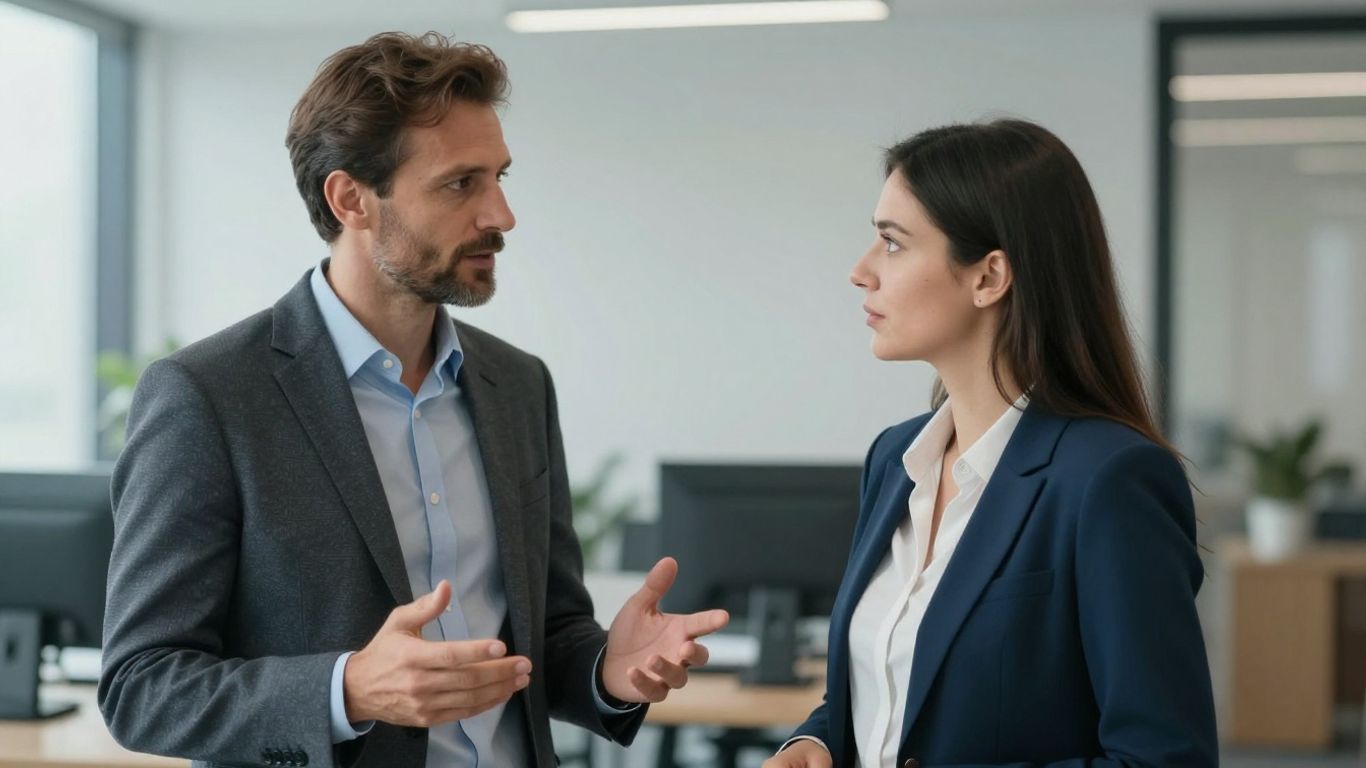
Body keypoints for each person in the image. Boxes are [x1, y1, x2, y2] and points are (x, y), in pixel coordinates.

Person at [99, 31, 727, 768]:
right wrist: (349, 689)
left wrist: (606, 671)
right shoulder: (209, 397)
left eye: (500, 177)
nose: (502, 214)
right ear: (350, 198)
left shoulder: (519, 386)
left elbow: (544, 636)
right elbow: (141, 687)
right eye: (462, 184)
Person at [765, 119, 1217, 768]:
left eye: (892, 244)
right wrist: (817, 741)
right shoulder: (894, 461)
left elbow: (1166, 759)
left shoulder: (1109, 480)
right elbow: (894, 688)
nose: (860, 272)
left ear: (989, 276)